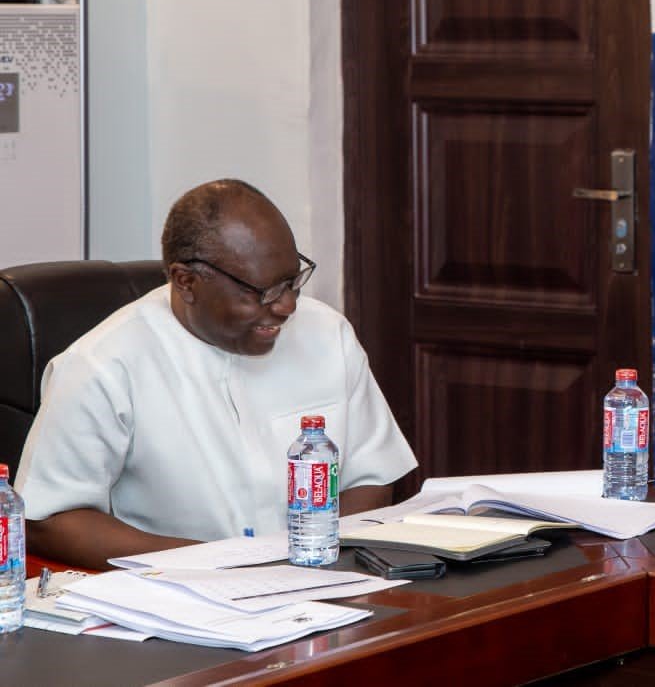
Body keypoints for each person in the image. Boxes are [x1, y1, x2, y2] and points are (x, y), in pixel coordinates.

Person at [16, 179, 417, 568]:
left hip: (320, 583)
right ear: (186, 282)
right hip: (175, 604)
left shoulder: (327, 334)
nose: (288, 306)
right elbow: (49, 520)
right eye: (262, 292)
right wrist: (215, 566)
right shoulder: (103, 365)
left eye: (292, 281)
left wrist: (311, 556)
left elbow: (373, 473)